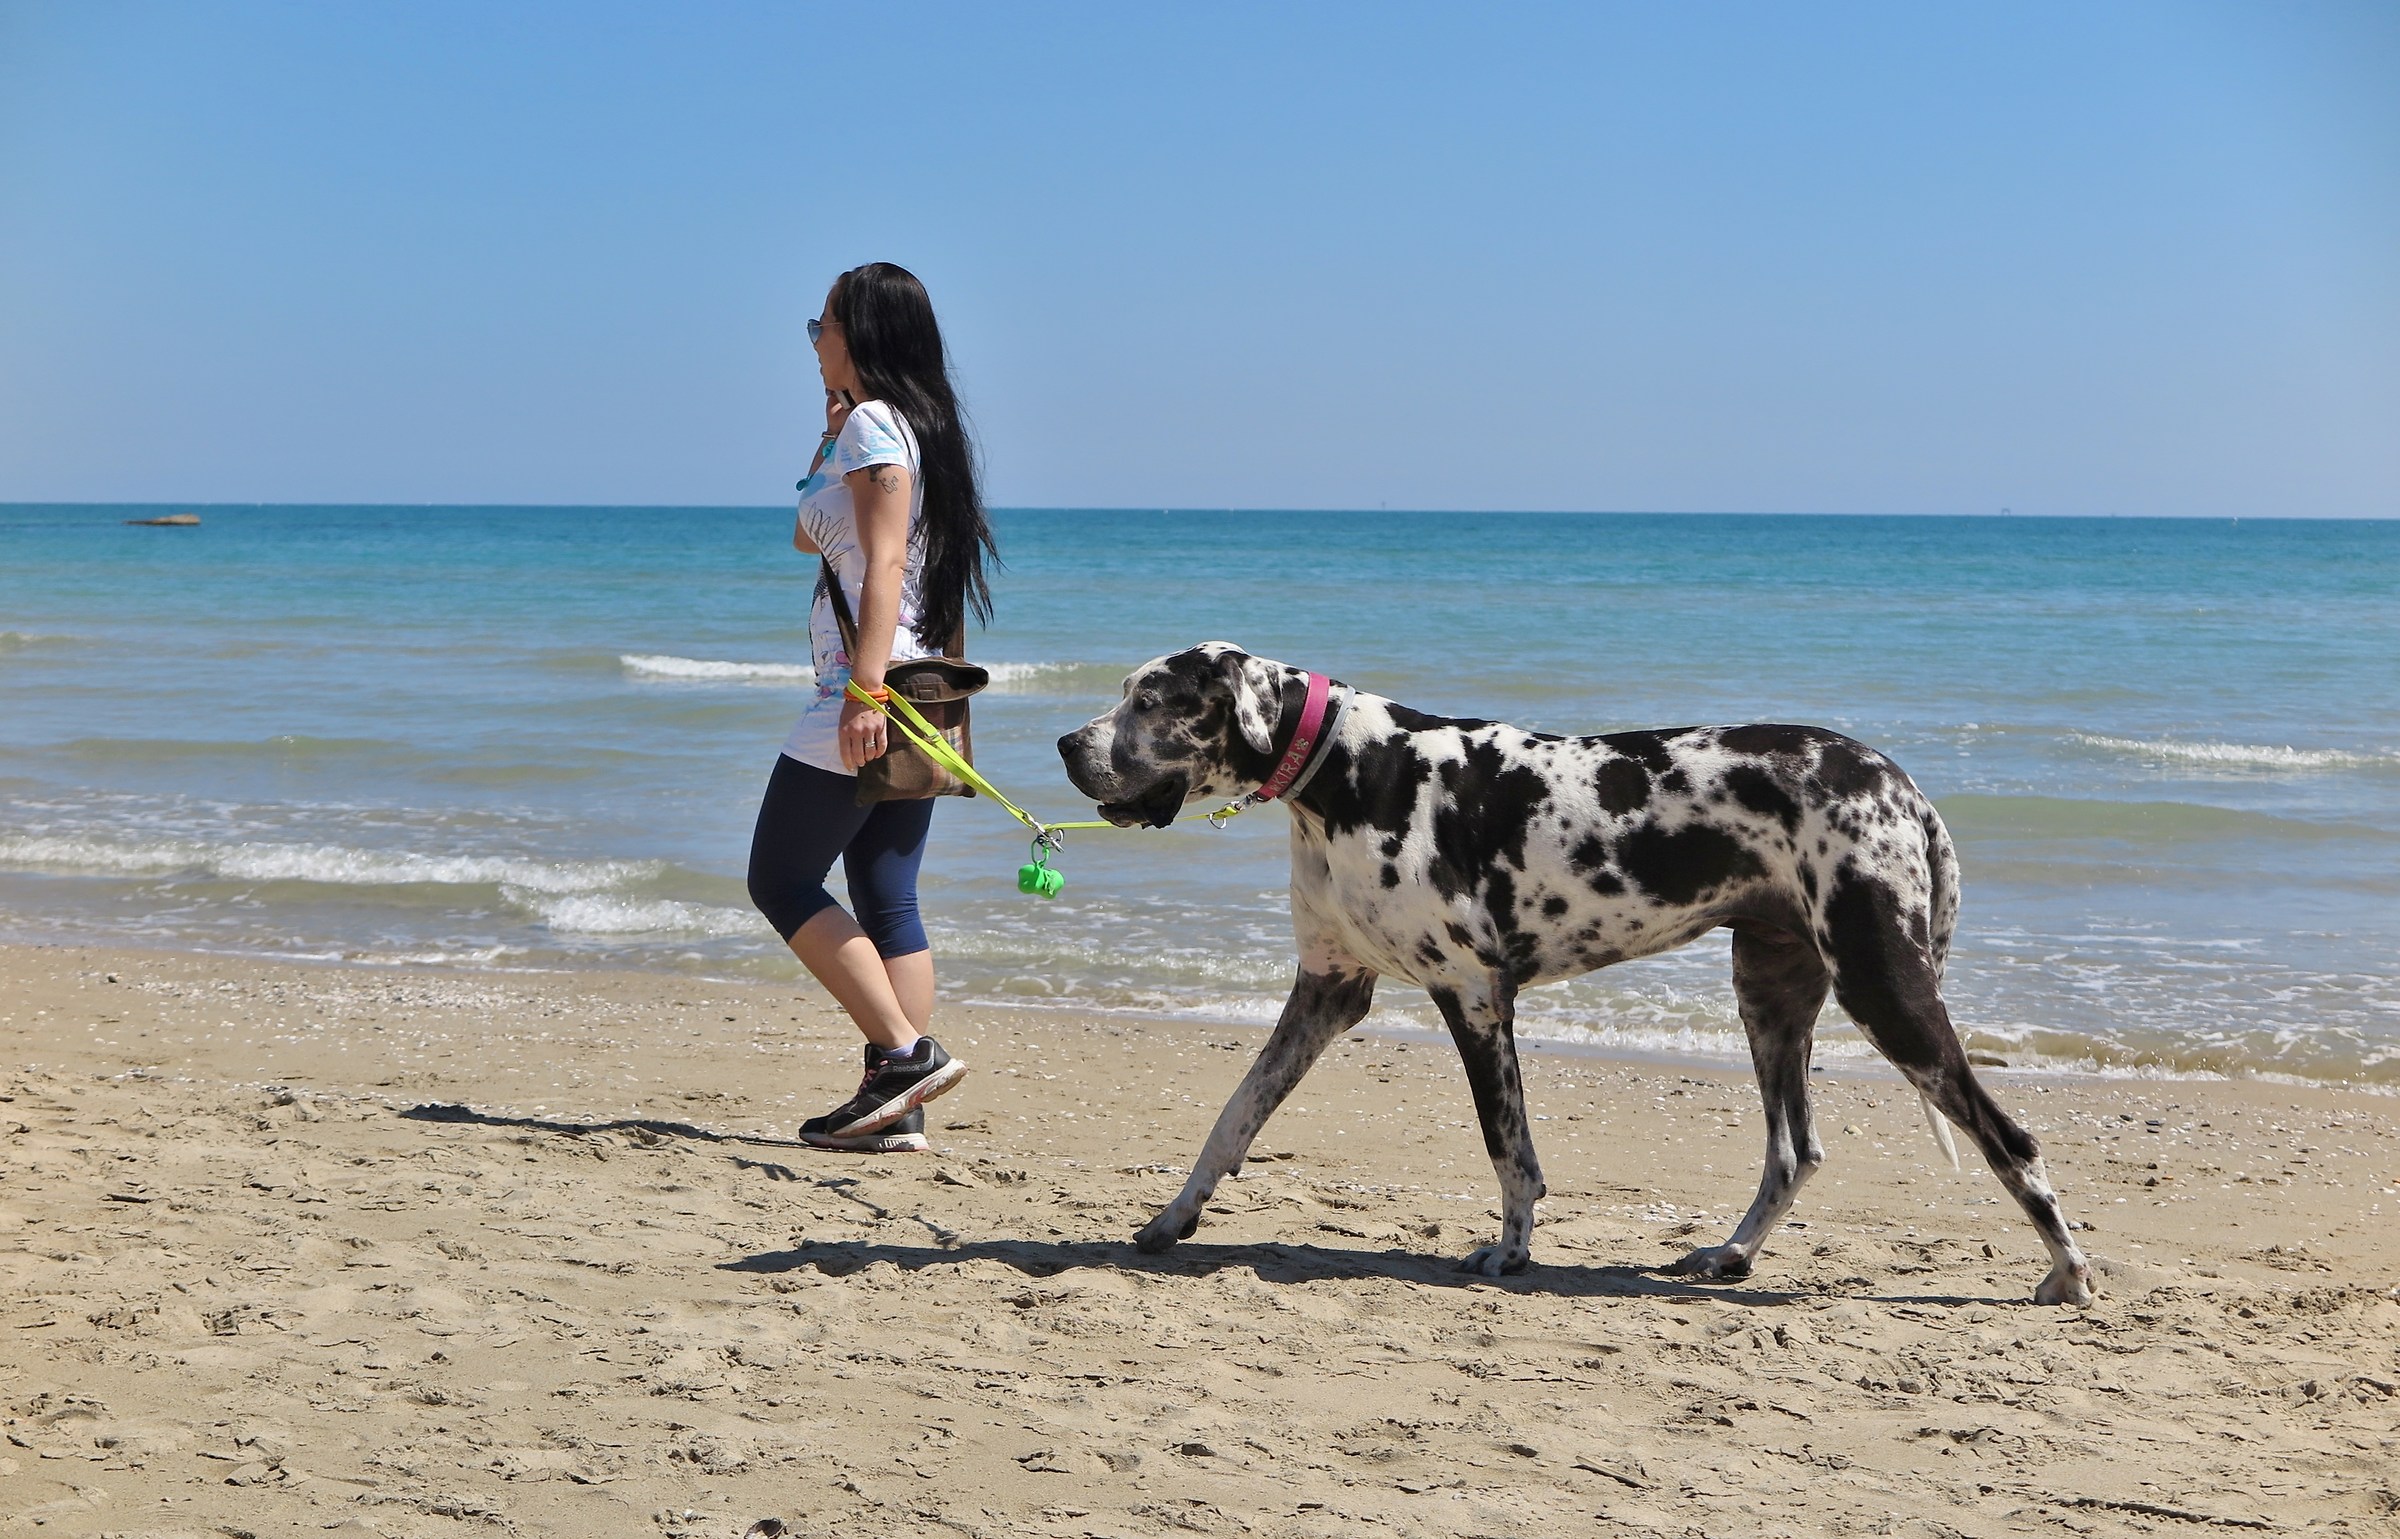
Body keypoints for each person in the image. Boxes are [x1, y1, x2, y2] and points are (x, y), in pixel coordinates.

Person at [746, 262, 996, 1153]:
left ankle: (902, 1056)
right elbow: (808, 535)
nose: (815, 340)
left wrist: (862, 692)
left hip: (866, 688)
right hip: (911, 687)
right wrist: (829, 436)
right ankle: (899, 1107)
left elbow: (884, 564)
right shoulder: (899, 427)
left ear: (862, 335)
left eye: (824, 324)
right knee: (887, 895)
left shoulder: (879, 426)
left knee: (778, 878)